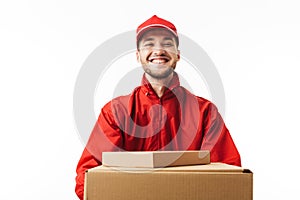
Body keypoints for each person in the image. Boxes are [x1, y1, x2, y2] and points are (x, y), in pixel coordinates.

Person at [75, 15, 241, 200]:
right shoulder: (116, 112)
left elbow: (227, 175)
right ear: (138, 56)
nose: (159, 50)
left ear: (178, 54)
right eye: (149, 43)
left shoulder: (205, 113)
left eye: (167, 43)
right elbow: (88, 177)